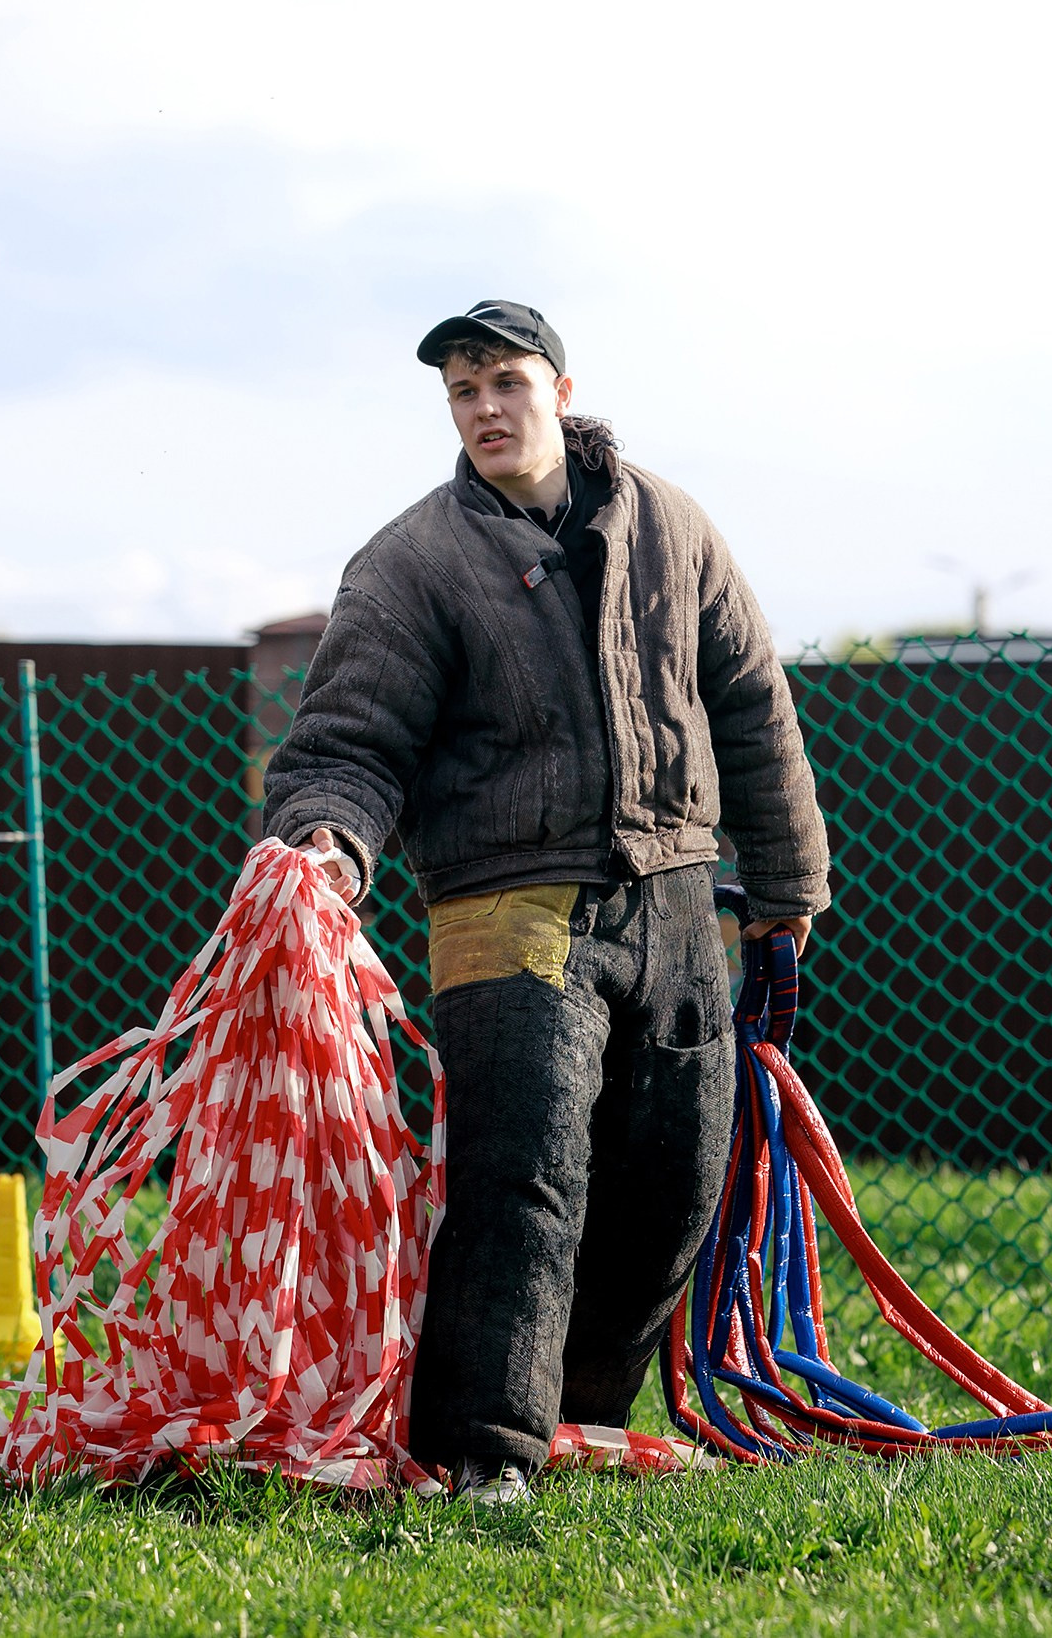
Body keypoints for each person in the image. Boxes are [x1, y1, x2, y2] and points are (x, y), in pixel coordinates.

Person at [262, 300, 830, 1504]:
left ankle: (581, 1423)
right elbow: (347, 743)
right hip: (505, 906)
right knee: (522, 1180)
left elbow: (750, 701)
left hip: (675, 897)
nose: (484, 409)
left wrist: (787, 885)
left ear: (560, 394)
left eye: (505, 383)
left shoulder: (672, 526)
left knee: (673, 1181)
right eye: (461, 392)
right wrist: (325, 843)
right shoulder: (411, 561)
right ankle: (485, 1453)